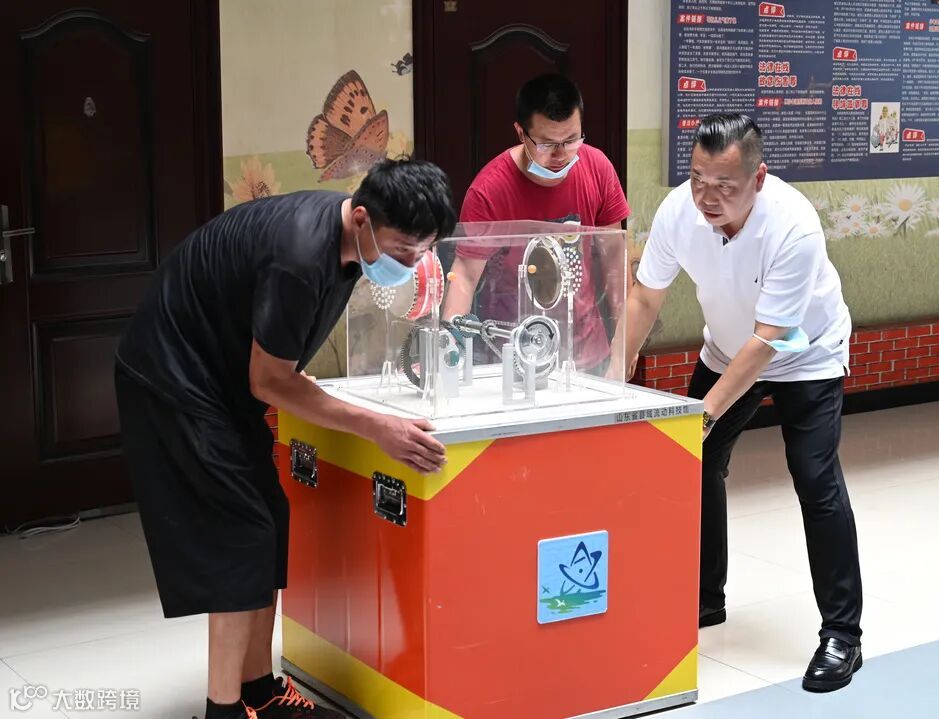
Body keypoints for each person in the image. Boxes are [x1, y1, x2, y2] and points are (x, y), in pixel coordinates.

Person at [114, 160, 456, 719]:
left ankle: (260, 693)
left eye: (425, 251)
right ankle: (223, 710)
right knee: (241, 536)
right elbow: (269, 381)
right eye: (403, 251)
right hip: (172, 380)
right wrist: (378, 427)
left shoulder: (344, 243)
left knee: (269, 522)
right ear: (363, 218)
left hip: (218, 380)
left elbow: (274, 363)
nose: (412, 264)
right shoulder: (300, 256)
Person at [609, 113, 864, 692]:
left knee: (815, 479)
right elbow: (645, 297)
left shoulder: (793, 225)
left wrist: (702, 415)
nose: (707, 196)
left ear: (758, 178)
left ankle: (843, 636)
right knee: (696, 465)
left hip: (805, 355)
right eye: (699, 179)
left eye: (724, 185)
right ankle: (705, 597)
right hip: (727, 349)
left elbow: (770, 340)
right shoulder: (679, 210)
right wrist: (613, 377)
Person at [441, 73, 630, 372]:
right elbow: (464, 274)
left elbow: (614, 257)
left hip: (585, 352)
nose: (561, 154)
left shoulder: (598, 168)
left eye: (571, 140)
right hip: (511, 352)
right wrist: (449, 349)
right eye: (546, 144)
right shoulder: (489, 190)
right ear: (520, 133)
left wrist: (625, 343)